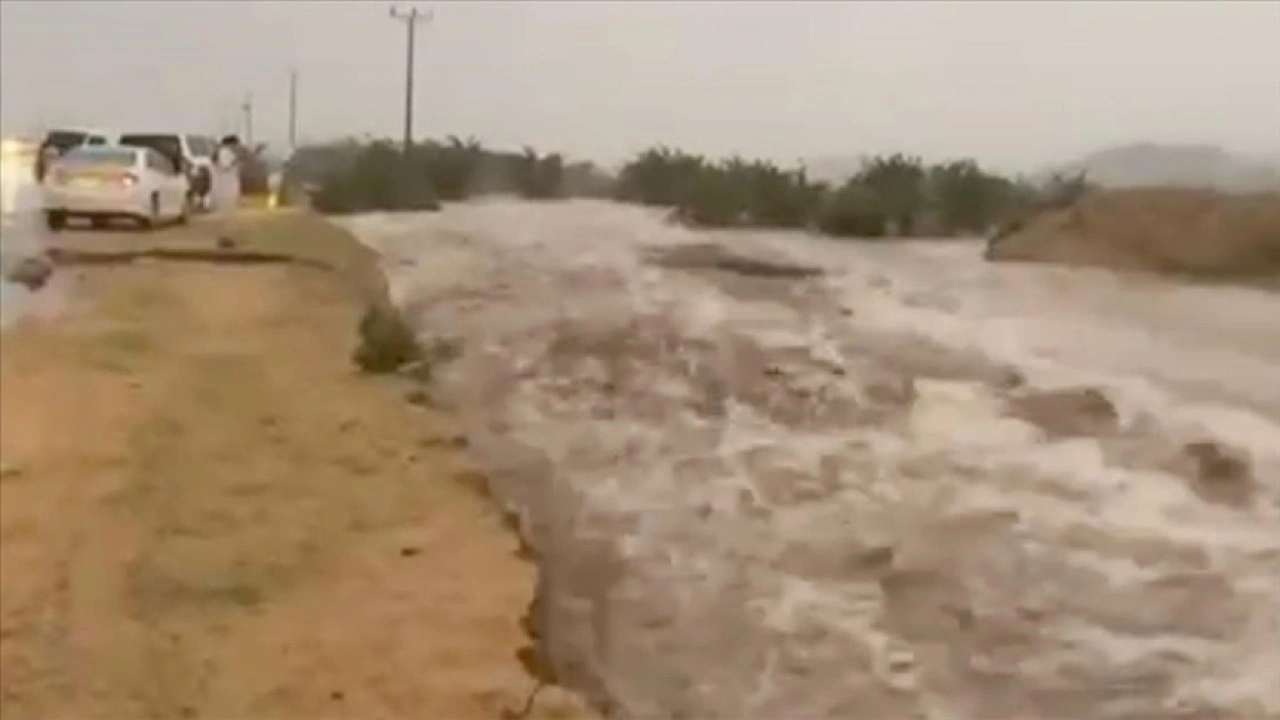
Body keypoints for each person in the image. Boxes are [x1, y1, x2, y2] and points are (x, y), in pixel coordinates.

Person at [210, 135, 242, 239]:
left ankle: (225, 237)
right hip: (226, 188)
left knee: (226, 216)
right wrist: (236, 160)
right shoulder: (224, 152)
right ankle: (225, 238)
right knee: (226, 216)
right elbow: (225, 166)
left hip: (223, 187)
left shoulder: (223, 152)